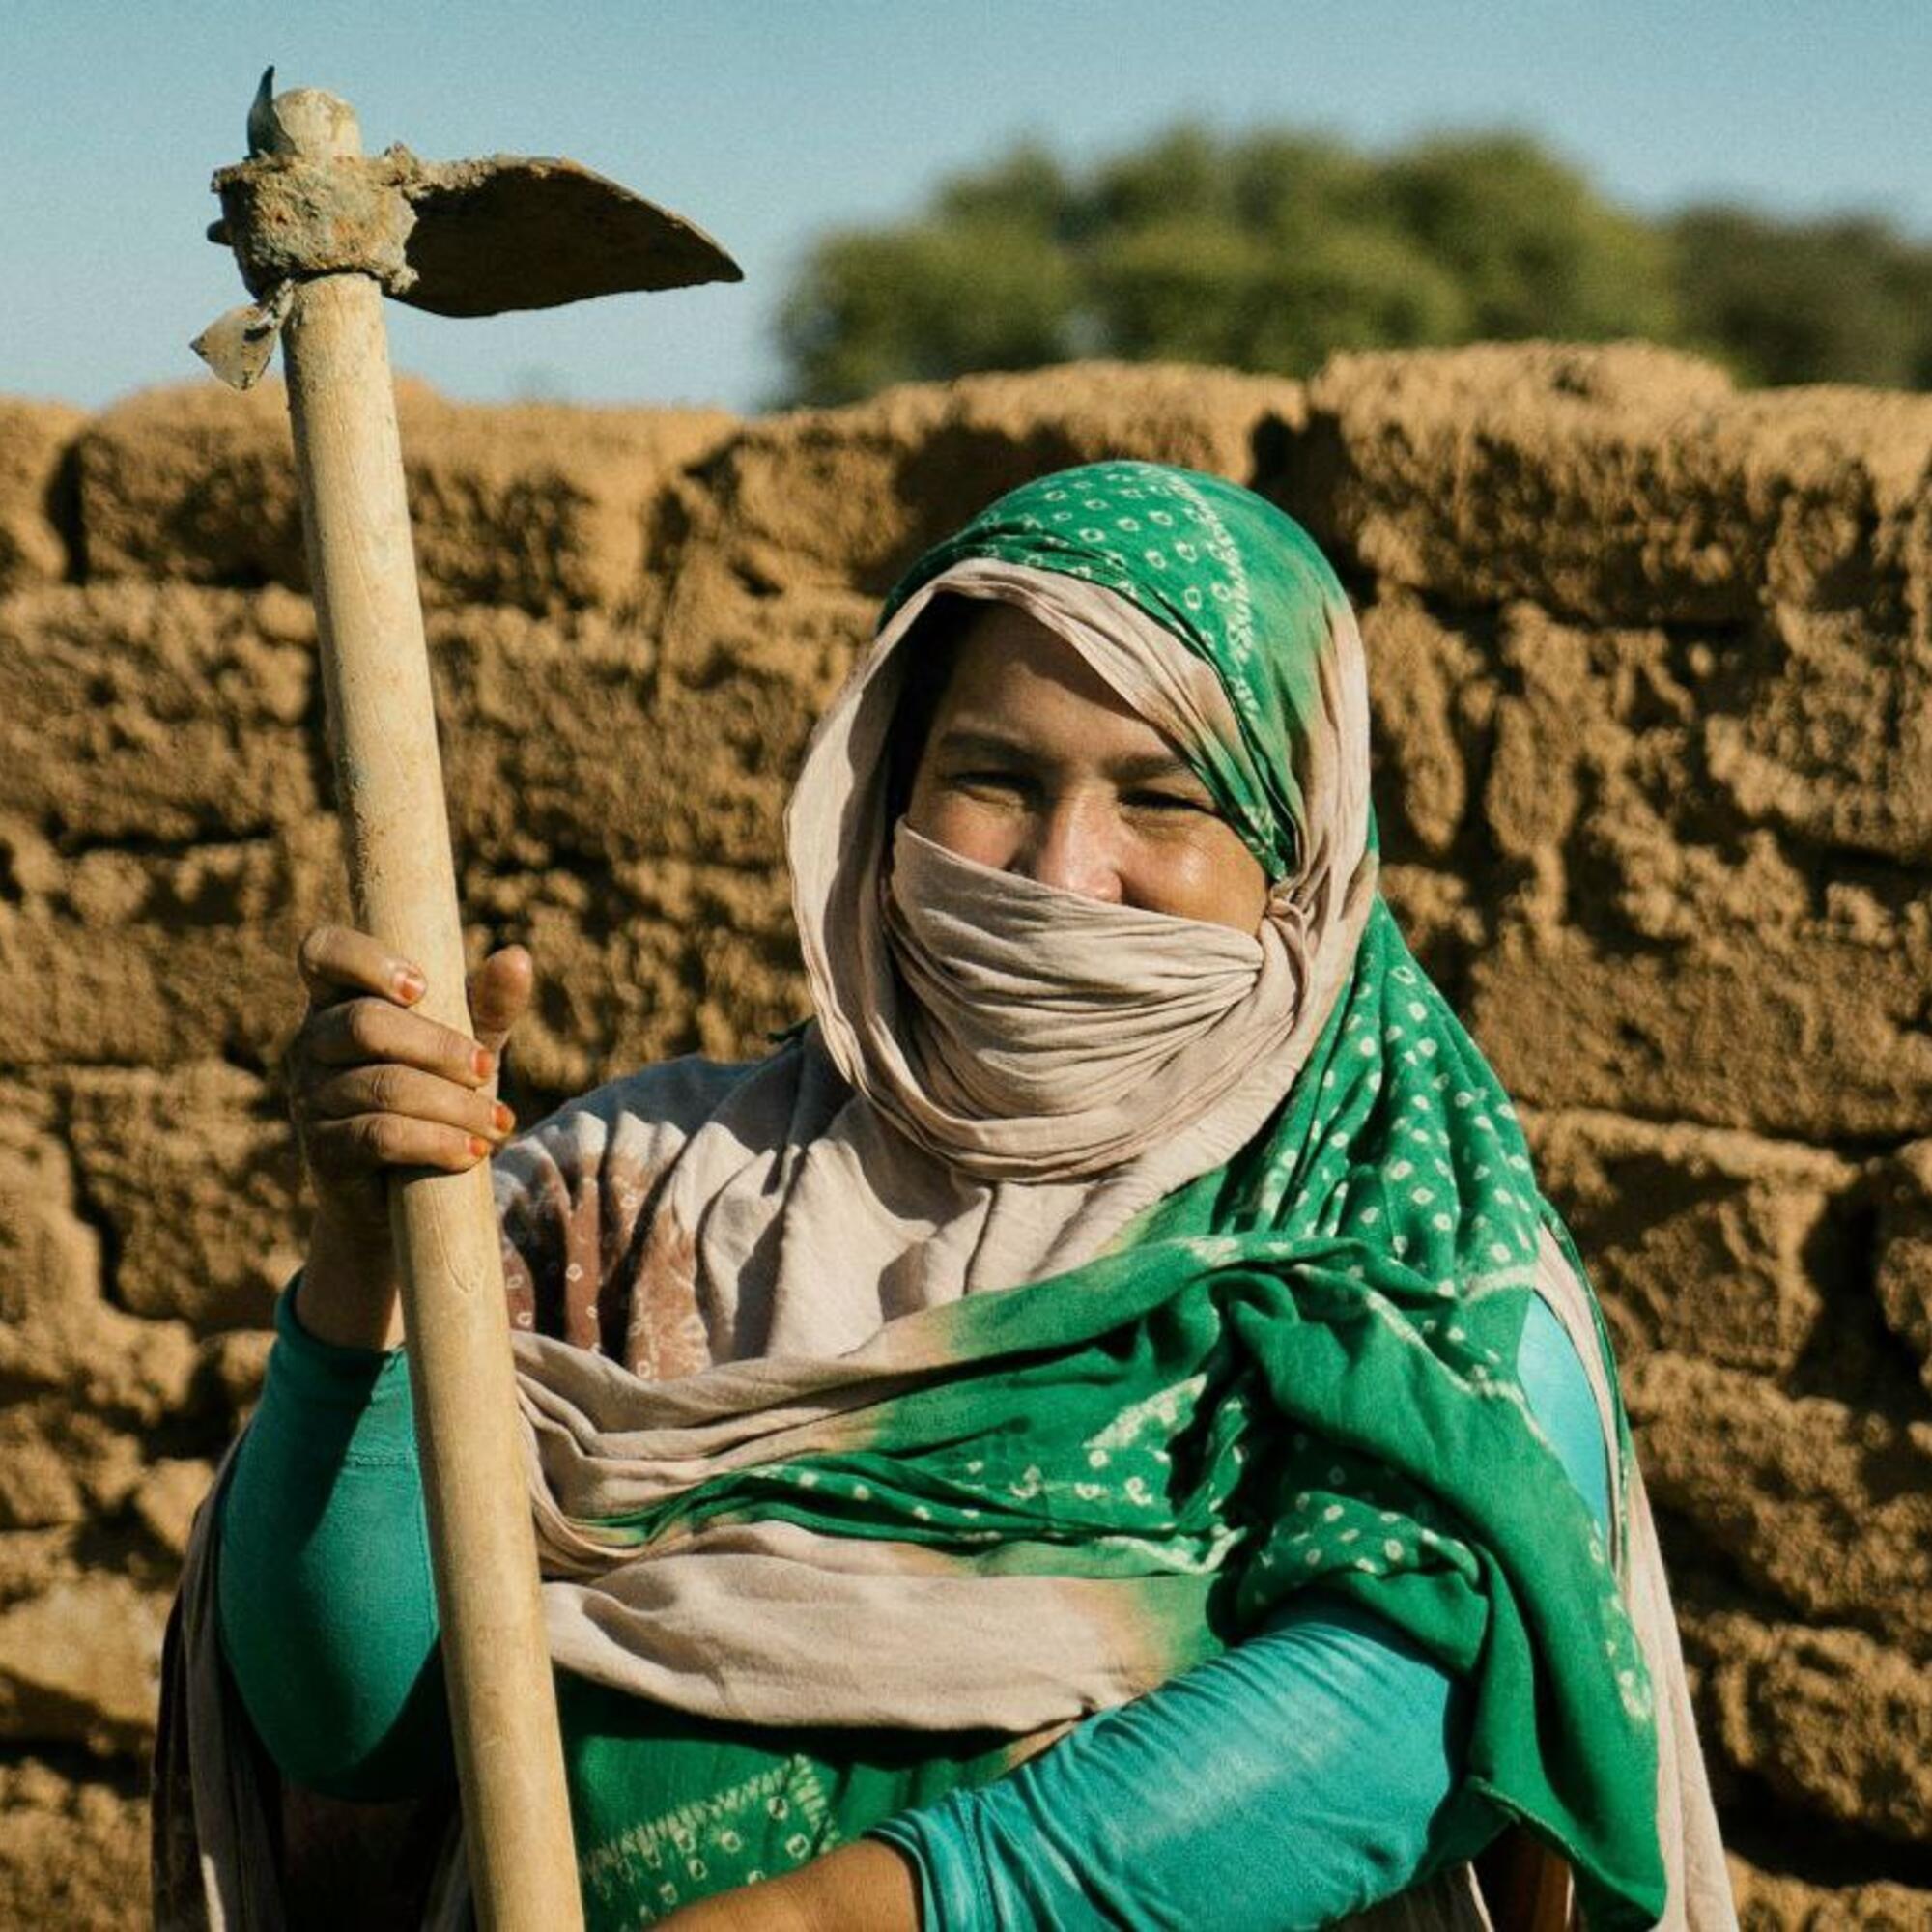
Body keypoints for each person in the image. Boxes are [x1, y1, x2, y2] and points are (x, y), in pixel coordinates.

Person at [156, 462, 1732, 1930]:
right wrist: (368, 1258)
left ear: (1301, 849)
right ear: (884, 802)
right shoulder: (630, 1195)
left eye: (1166, 800)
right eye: (993, 777)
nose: (1060, 872)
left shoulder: (1404, 1250)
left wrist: (861, 1909)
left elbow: (1409, 1698)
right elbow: (359, 1716)